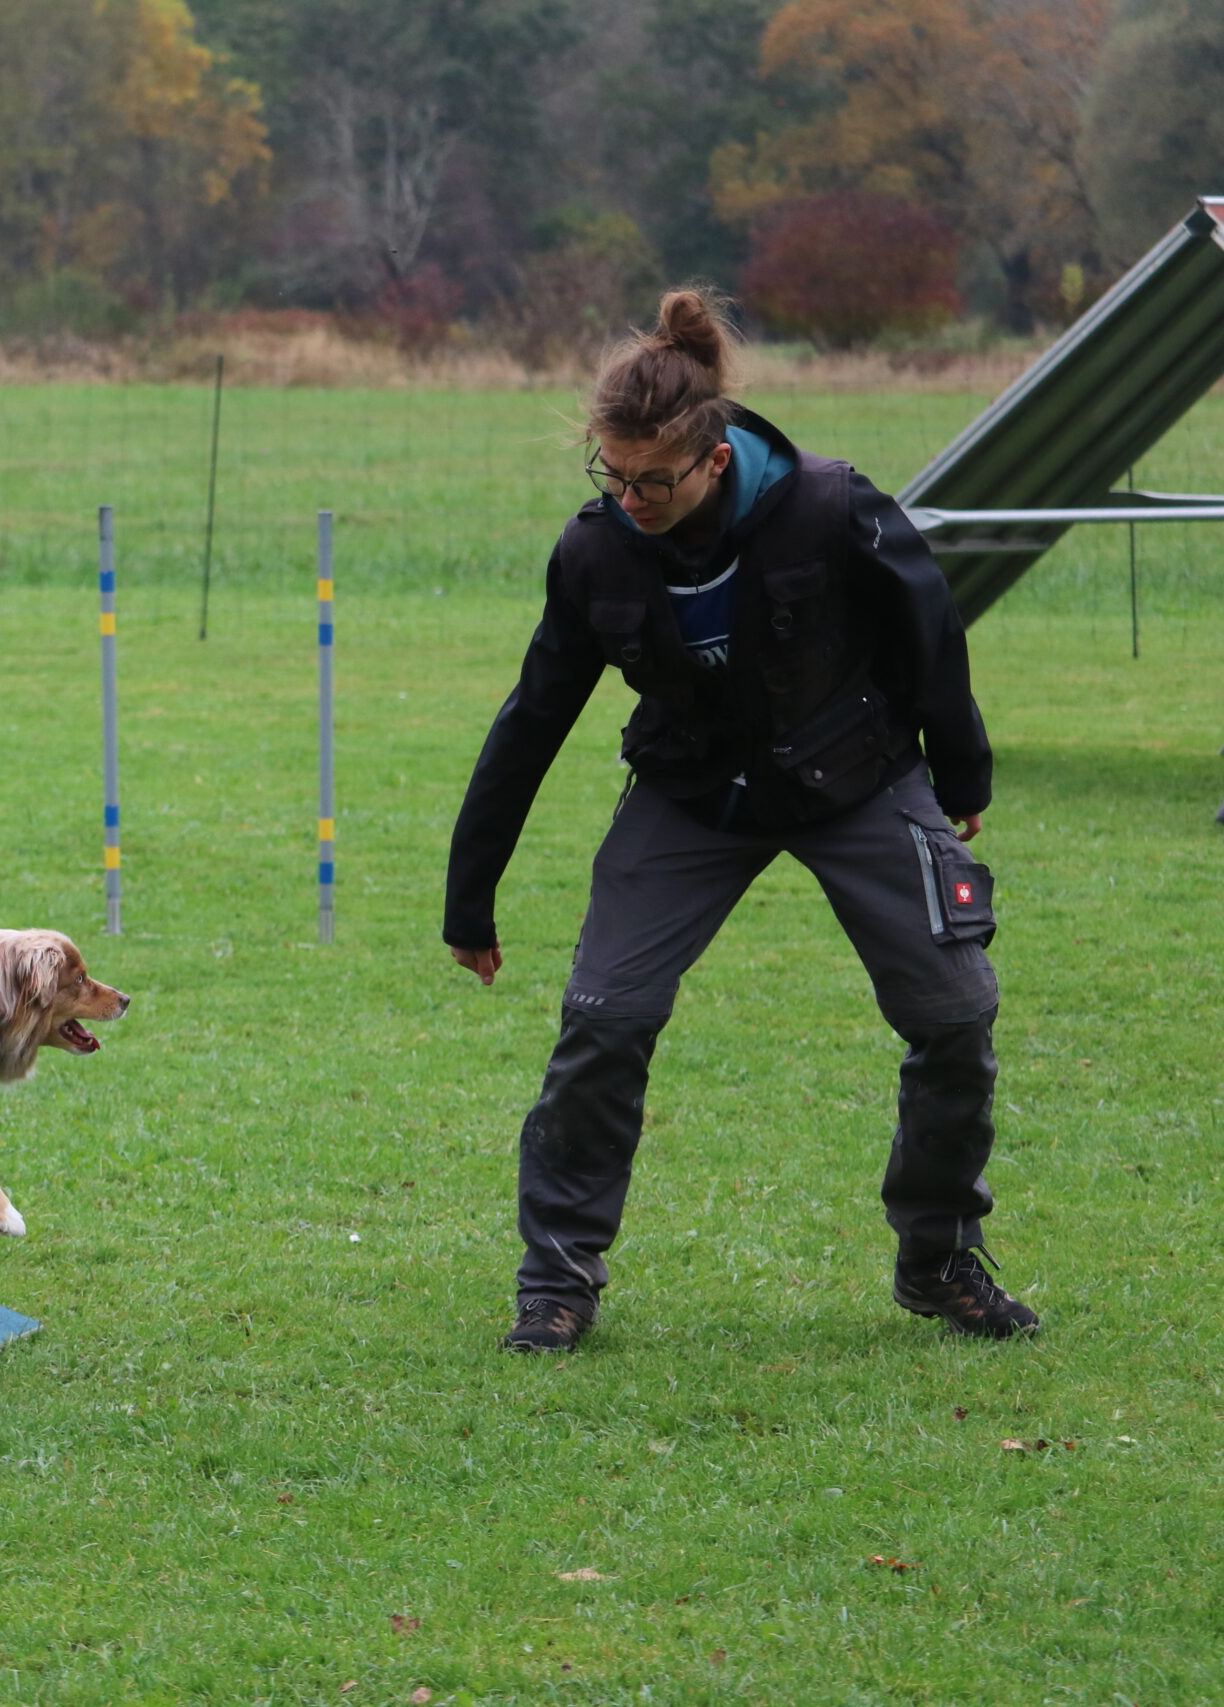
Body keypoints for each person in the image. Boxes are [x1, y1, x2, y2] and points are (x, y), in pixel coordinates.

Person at [444, 288, 1038, 1354]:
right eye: (611, 477)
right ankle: (557, 1283)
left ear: (713, 459)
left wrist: (960, 773)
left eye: (652, 481)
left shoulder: (831, 506)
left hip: (854, 778)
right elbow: (533, 715)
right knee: (603, 1021)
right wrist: (470, 894)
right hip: (690, 794)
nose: (629, 499)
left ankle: (937, 1260)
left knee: (954, 1015)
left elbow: (929, 631)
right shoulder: (595, 552)